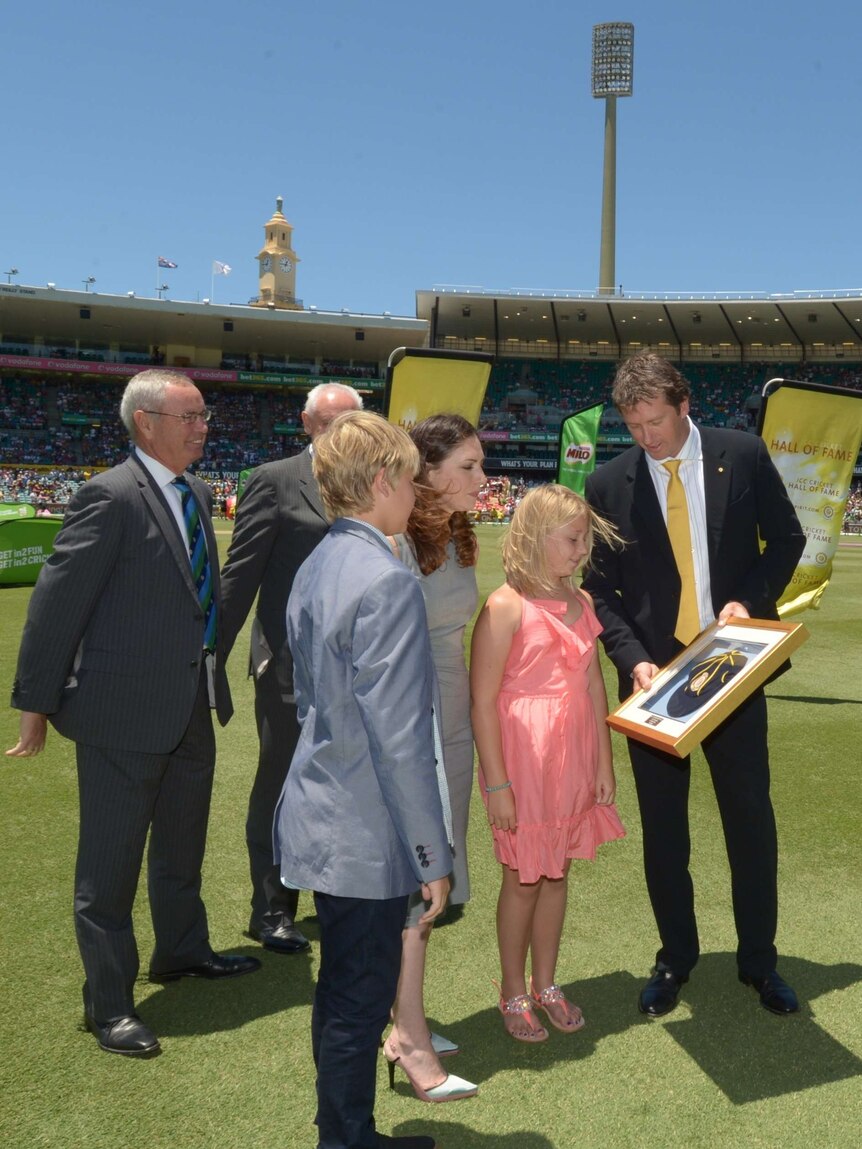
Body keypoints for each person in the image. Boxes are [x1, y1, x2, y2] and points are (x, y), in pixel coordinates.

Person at [6, 369, 259, 1058]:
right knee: (109, 869)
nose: (204, 426)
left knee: (181, 846)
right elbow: (57, 605)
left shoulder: (197, 492)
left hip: (191, 707)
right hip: (121, 714)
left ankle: (180, 950)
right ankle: (108, 1004)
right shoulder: (107, 496)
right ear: (146, 422)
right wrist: (36, 703)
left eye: (204, 414)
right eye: (191, 415)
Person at [583, 352, 806, 1018]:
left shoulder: (742, 453)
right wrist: (631, 660)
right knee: (664, 833)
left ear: (684, 405)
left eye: (655, 420)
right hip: (657, 682)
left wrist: (748, 600)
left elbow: (787, 540)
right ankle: (674, 958)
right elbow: (599, 592)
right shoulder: (608, 483)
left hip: (732, 670)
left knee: (749, 820)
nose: (646, 436)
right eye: (634, 424)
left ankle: (759, 962)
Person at [274, 410, 451, 1149]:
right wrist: (432, 854)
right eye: (411, 480)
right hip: (364, 825)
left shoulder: (319, 560)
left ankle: (343, 1130)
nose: (415, 496)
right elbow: (402, 738)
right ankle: (345, 1139)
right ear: (381, 481)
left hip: (322, 804)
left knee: (342, 989)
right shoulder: (384, 578)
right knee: (358, 995)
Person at [470, 484, 626, 1041]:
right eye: (573, 539)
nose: (582, 550)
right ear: (537, 537)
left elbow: (593, 684)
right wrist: (498, 785)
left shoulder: (581, 603)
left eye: (585, 539)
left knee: (556, 874)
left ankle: (547, 982)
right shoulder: (505, 606)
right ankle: (513, 989)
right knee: (522, 878)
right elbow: (482, 700)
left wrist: (603, 762)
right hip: (524, 764)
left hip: (572, 759)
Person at [220, 382, 363, 954]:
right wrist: (208, 655)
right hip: (287, 663)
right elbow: (241, 576)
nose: (339, 434)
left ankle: (335, 893)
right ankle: (272, 907)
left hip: (358, 664)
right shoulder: (274, 480)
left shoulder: (373, 482)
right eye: (328, 423)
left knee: (346, 784)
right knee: (282, 784)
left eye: (350, 423)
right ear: (306, 423)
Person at [384, 414, 483, 1101]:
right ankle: (407, 1038)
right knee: (418, 880)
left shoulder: (456, 534)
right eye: (471, 466)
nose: (483, 478)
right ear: (428, 472)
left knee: (433, 875)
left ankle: (402, 1015)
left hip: (454, 719)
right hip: (416, 719)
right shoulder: (394, 544)